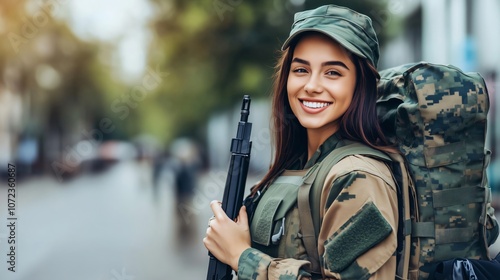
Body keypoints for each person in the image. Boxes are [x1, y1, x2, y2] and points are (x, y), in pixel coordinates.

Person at [204, 4, 399, 279]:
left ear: (360, 85)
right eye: (301, 70)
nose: (311, 85)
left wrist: (242, 257)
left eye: (333, 72)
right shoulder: (300, 164)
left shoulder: (358, 177)